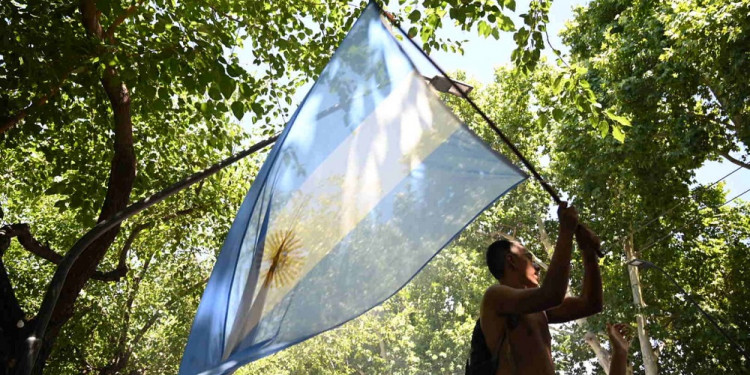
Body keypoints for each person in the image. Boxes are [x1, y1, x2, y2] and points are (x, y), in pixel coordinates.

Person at [474, 202, 603, 374]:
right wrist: (566, 231)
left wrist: (588, 251)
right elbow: (552, 294)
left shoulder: (539, 311)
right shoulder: (495, 297)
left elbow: (591, 304)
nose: (537, 266)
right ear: (511, 261)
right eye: (528, 258)